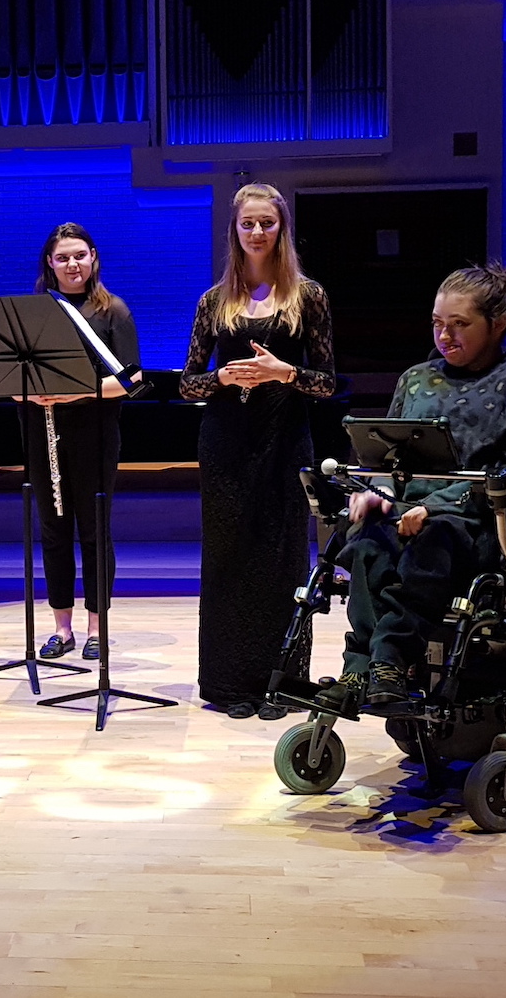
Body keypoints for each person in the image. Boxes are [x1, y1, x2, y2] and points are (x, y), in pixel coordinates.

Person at [317, 263, 506, 715]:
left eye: (459, 325)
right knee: (365, 542)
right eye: (437, 324)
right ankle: (360, 669)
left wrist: (437, 508)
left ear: (497, 325)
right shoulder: (416, 379)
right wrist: (375, 492)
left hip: (483, 523)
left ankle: (388, 662)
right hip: (408, 513)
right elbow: (389, 458)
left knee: (432, 542)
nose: (445, 336)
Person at [180, 183, 336, 718]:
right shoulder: (213, 301)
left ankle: (281, 682)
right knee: (227, 559)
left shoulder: (308, 296)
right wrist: (221, 377)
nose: (257, 232)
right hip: (226, 443)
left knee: (282, 559)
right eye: (248, 223)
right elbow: (187, 384)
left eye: (267, 223)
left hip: (284, 440)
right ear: (234, 230)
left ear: (281, 228)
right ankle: (228, 685)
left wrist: (284, 372)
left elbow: (328, 384)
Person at [21, 223, 143, 661]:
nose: (72, 264)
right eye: (62, 257)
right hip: (44, 429)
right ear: (49, 264)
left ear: (93, 257)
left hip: (94, 431)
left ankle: (97, 628)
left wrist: (78, 391)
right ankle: (61, 627)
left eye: (79, 255)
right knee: (53, 530)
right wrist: (25, 392)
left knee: (94, 530)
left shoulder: (114, 311)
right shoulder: (32, 312)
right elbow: (9, 376)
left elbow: (132, 380)